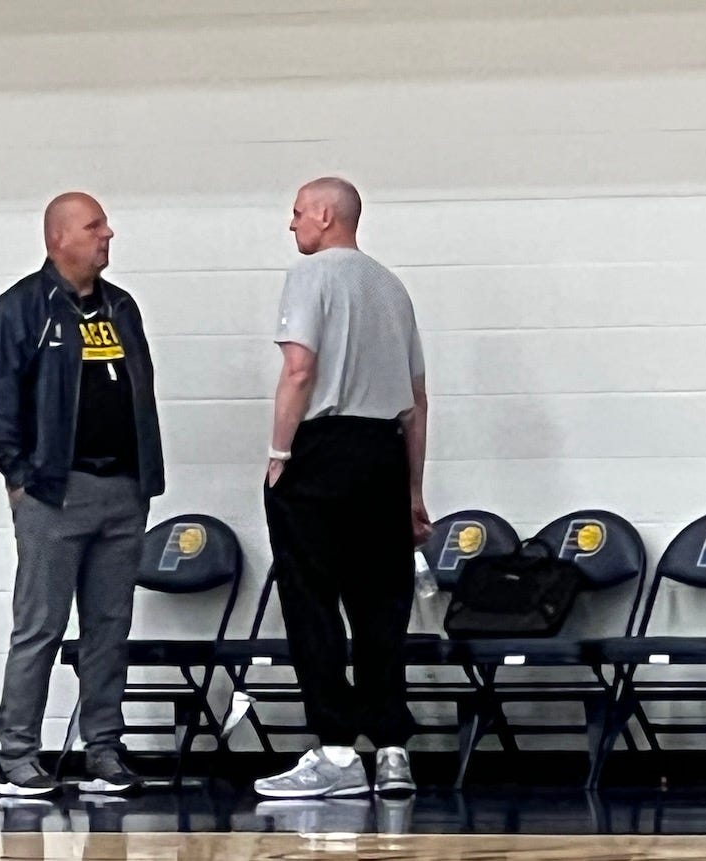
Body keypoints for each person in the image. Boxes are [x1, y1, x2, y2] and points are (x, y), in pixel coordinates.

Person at [0, 192, 165, 797]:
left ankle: (103, 750)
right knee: (40, 626)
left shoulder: (121, 308)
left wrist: (142, 478)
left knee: (110, 626)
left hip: (122, 492)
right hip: (55, 493)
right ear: (59, 238)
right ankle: (19, 757)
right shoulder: (21, 310)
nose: (108, 234)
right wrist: (20, 476)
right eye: (94, 225)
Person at [254, 177, 432, 798]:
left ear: (326, 215)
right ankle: (391, 751)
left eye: (299, 211)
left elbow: (299, 369)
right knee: (383, 604)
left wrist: (281, 453)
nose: (293, 222)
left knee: (311, 599)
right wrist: (413, 489)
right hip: (384, 455)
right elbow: (416, 400)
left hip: (323, 450)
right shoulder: (392, 287)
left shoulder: (312, 276)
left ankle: (334, 750)